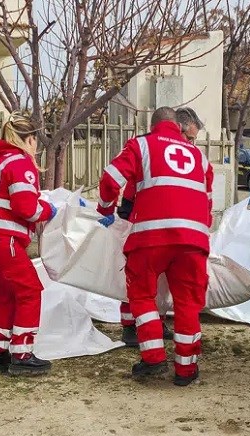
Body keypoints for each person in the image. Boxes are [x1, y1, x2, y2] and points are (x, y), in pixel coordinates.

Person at [97, 107, 213, 386]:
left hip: (150, 237)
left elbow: (111, 179)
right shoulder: (201, 157)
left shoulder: (141, 145)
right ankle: (186, 369)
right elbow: (208, 202)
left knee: (142, 296)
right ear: (179, 126)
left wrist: (105, 209)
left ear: (153, 124)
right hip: (192, 239)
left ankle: (153, 358)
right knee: (187, 303)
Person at [0, 110, 58, 377]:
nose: (37, 147)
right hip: (2, 240)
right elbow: (26, 208)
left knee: (4, 295)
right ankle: (22, 354)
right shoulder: (20, 163)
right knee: (30, 291)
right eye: (36, 141)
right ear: (28, 139)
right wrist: (48, 211)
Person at [117, 107, 207, 347]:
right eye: (189, 138)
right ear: (178, 126)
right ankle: (131, 326)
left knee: (148, 281)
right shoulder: (162, 149)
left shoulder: (149, 146)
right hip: (146, 215)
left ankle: (152, 331)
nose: (190, 144)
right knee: (143, 281)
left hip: (156, 224)